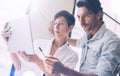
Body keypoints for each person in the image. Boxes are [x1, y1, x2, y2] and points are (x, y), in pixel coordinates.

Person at [43, 0, 120, 76]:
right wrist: (59, 36)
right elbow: (78, 43)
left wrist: (63, 69)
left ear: (98, 15)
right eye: (79, 17)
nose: (81, 22)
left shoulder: (111, 41)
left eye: (86, 16)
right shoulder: (88, 34)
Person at [1, 10, 78, 76]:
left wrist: (37, 60)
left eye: (61, 23)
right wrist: (8, 43)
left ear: (70, 28)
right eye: (55, 23)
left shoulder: (72, 56)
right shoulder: (39, 44)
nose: (56, 27)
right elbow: (19, 66)